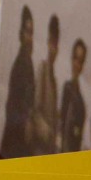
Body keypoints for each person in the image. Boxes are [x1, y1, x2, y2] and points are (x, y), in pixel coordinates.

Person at [0, 6, 34, 158]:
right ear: (21, 34)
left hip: (22, 141)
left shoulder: (29, 64)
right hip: (13, 140)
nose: (30, 38)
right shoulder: (19, 65)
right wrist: (25, 122)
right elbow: (11, 107)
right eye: (27, 32)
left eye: (32, 33)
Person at [31, 14, 60, 155]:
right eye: (51, 43)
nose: (53, 49)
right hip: (38, 147)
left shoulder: (54, 81)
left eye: (56, 44)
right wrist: (46, 130)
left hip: (49, 150)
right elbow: (35, 110)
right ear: (48, 43)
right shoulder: (42, 69)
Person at [58, 39, 87, 152]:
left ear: (82, 65)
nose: (76, 64)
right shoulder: (65, 87)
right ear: (71, 59)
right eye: (75, 58)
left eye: (80, 61)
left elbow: (77, 140)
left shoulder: (81, 104)